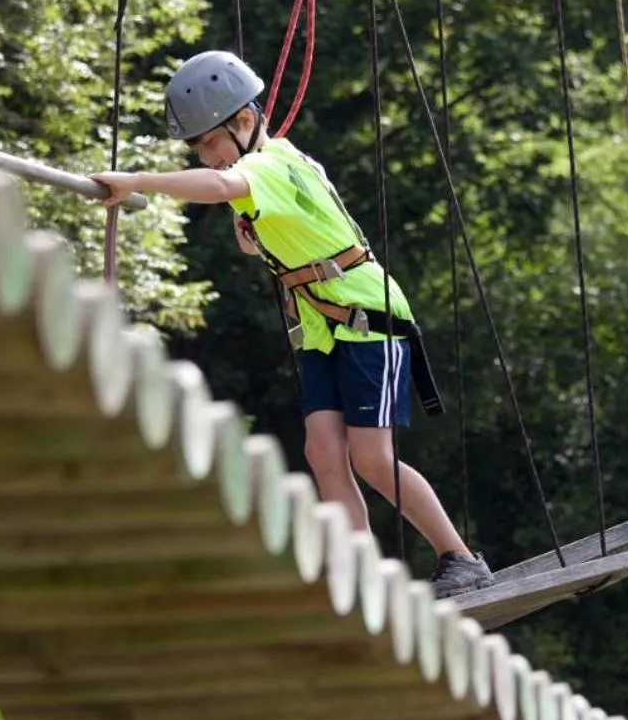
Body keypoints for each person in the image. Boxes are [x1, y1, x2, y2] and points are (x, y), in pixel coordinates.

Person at [90, 50, 497, 598]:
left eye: (210, 142)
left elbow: (223, 188)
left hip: (366, 320)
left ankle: (460, 557)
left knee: (372, 457)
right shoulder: (266, 167)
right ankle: (364, 581)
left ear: (243, 121)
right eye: (198, 149)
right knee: (323, 453)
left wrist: (137, 178)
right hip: (324, 326)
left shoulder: (269, 165)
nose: (208, 156)